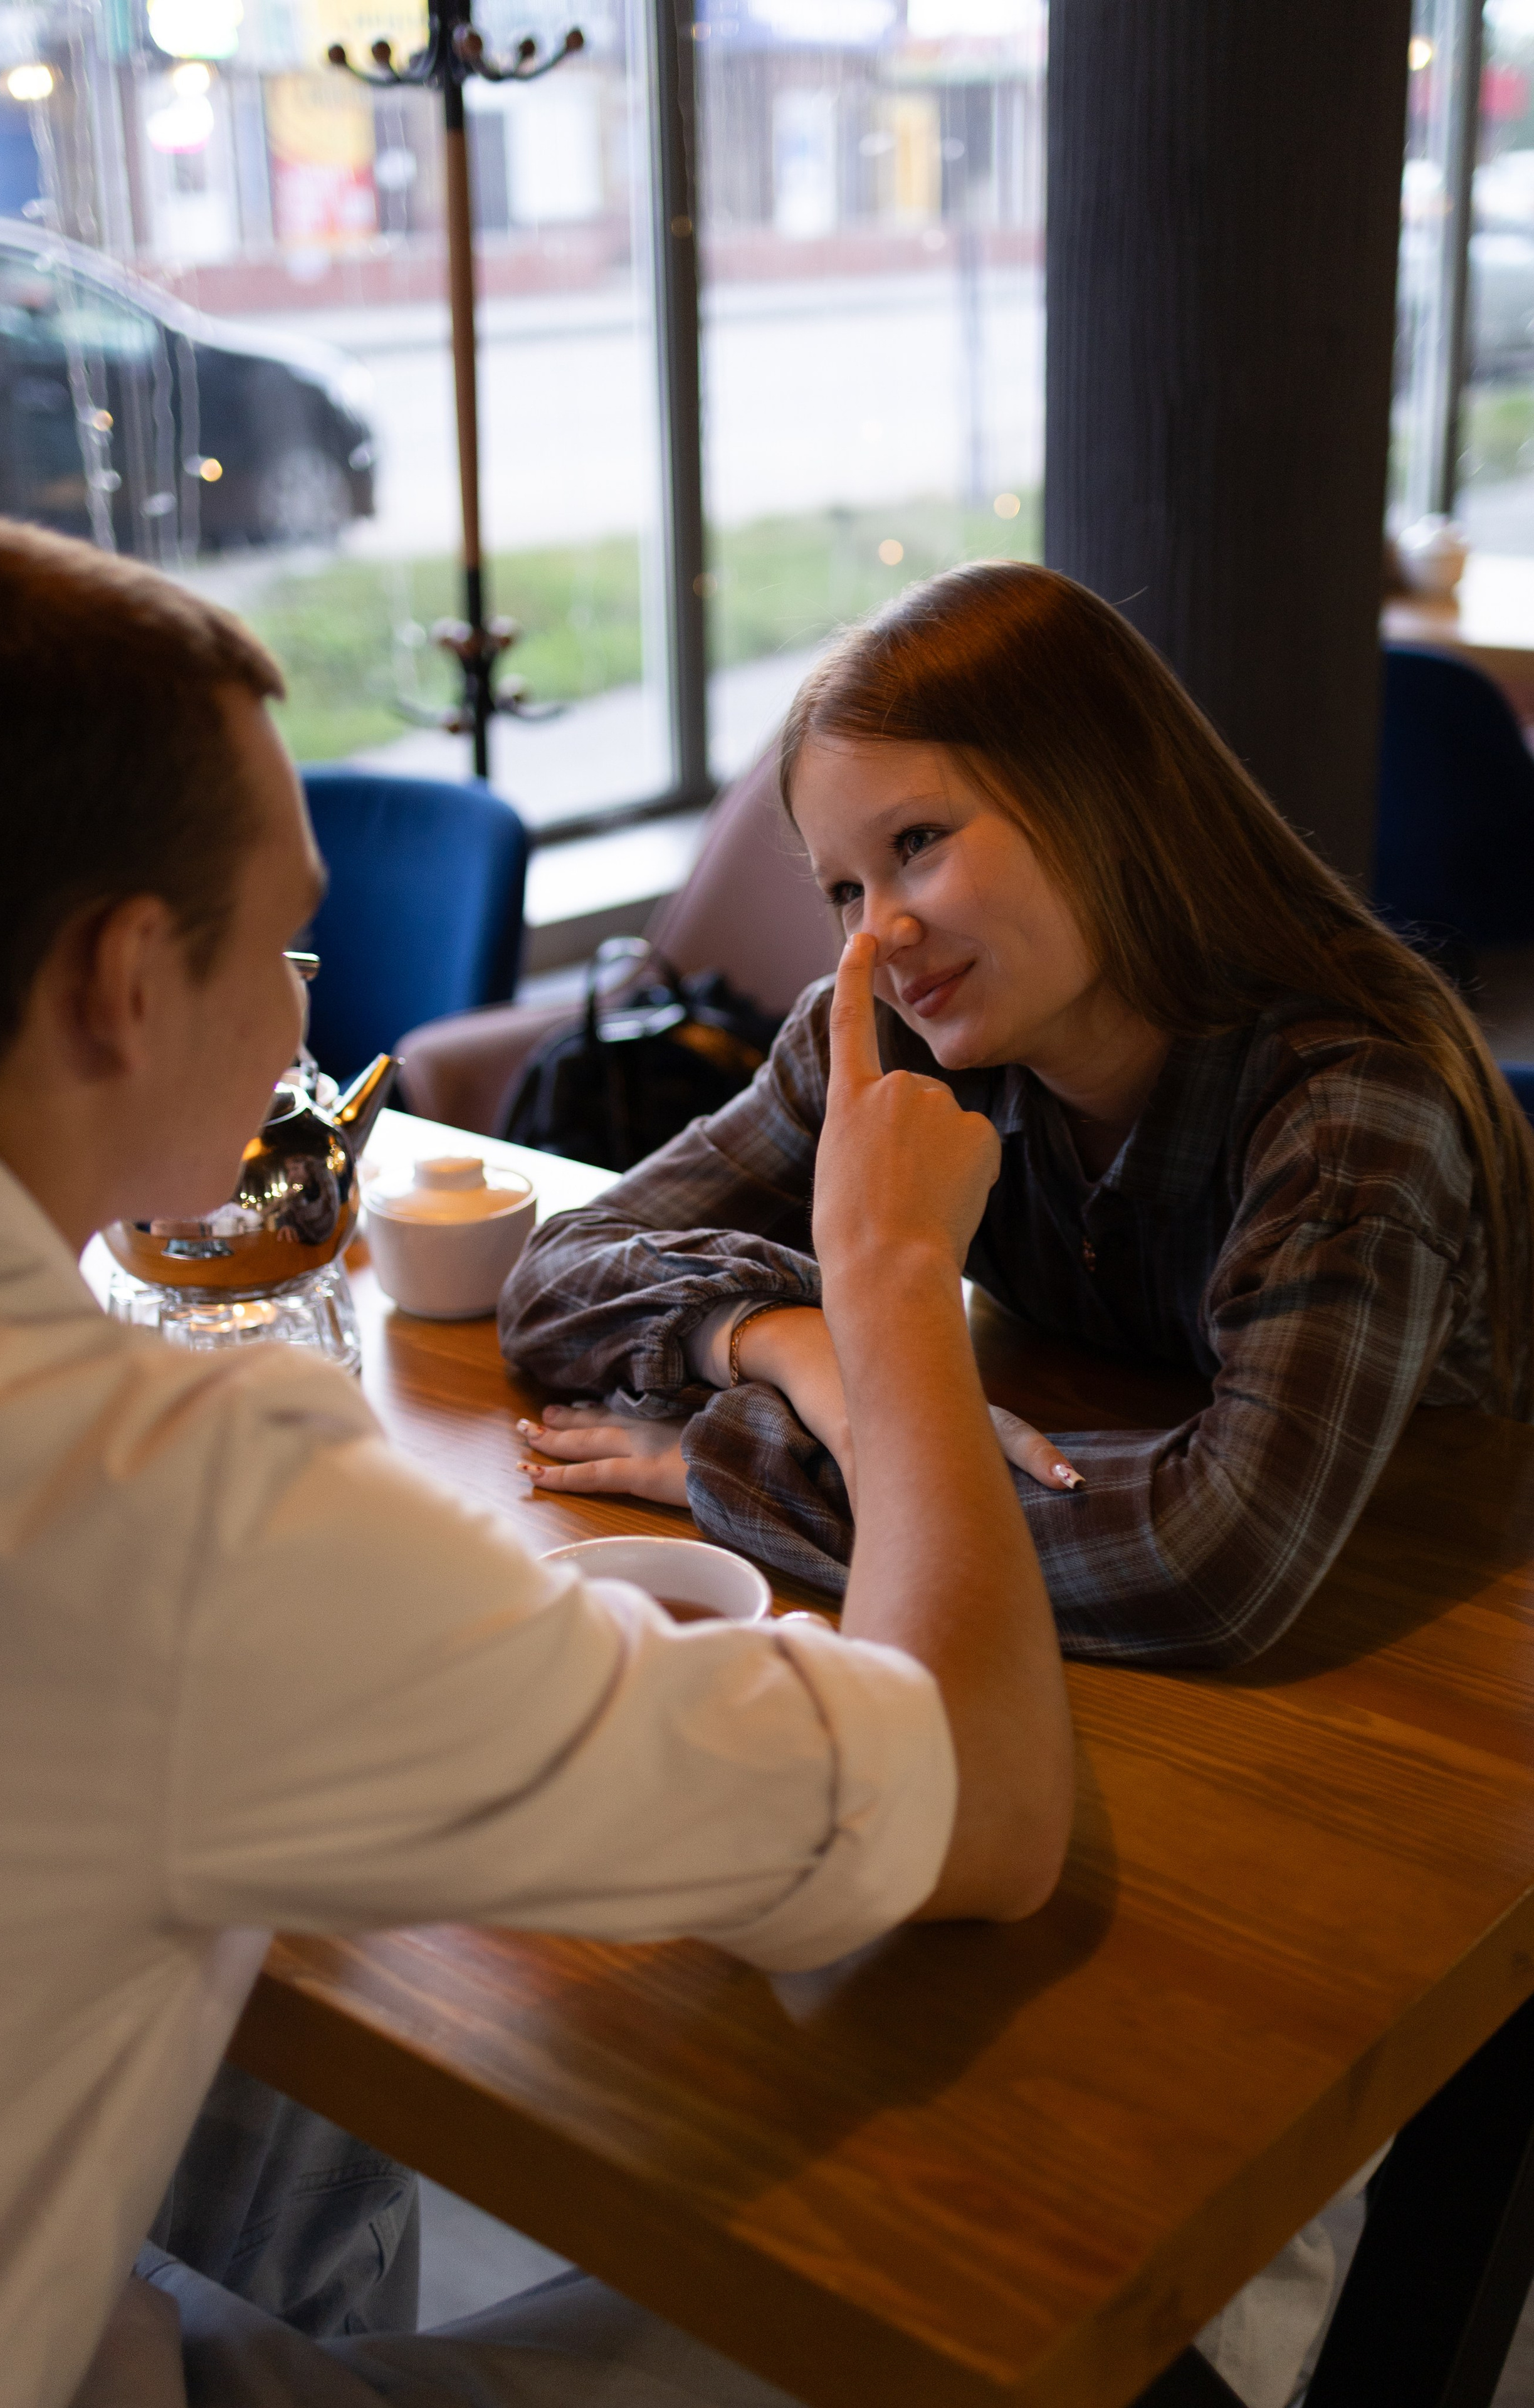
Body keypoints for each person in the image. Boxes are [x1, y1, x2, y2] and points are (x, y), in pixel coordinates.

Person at [0, 518, 1075, 2408]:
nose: (313, 1017)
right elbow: (993, 1807)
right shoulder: (156, 1507)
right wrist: (877, 1295)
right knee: (910, 2328)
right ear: (125, 981)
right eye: (286, 942)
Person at [500, 560, 1534, 1666]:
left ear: (1103, 791)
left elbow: (1208, 1562)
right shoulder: (884, 1045)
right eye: (845, 889)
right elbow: (556, 1275)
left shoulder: (1349, 1114)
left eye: (917, 844)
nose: (879, 936)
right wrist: (792, 1350)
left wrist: (742, 1461)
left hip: (1422, 1677)